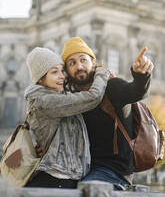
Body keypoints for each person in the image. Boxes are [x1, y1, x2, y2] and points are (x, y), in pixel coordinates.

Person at [61, 37, 154, 190]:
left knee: (89, 189)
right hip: (80, 169)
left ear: (93, 61)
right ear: (67, 70)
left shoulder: (111, 86)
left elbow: (135, 91)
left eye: (83, 60)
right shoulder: (71, 100)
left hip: (113, 171)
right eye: (72, 63)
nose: (79, 66)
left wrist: (141, 76)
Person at [24, 47, 110, 188]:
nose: (62, 76)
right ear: (40, 79)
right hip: (56, 179)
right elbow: (92, 97)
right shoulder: (45, 102)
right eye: (54, 72)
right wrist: (101, 74)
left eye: (62, 71)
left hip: (61, 178)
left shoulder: (55, 98)